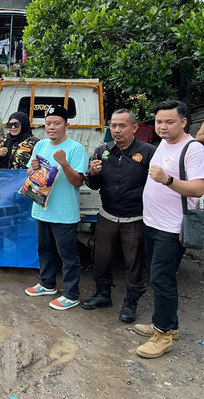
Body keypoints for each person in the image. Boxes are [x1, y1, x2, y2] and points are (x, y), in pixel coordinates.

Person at [135, 100, 204, 359]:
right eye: (159, 122)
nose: (162, 127)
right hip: (152, 222)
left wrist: (168, 180)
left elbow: (198, 188)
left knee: (162, 280)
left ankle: (163, 335)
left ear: (184, 122)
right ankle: (167, 325)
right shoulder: (164, 143)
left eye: (169, 121)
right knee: (157, 276)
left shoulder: (193, 149)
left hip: (172, 228)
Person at [81, 109, 156, 323]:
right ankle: (103, 295)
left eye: (122, 125)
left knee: (134, 261)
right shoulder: (102, 151)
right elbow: (94, 186)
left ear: (134, 128)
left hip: (135, 218)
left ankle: (131, 302)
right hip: (107, 214)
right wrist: (92, 174)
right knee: (101, 257)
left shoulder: (149, 152)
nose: (116, 130)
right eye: (113, 125)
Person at [24, 106, 89, 310]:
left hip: (63, 212)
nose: (51, 127)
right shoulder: (41, 145)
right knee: (44, 250)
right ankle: (47, 284)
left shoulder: (75, 149)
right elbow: (29, 173)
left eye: (56, 123)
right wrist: (32, 169)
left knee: (68, 255)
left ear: (66, 125)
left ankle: (71, 294)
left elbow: (78, 181)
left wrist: (64, 163)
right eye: (48, 123)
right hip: (42, 208)